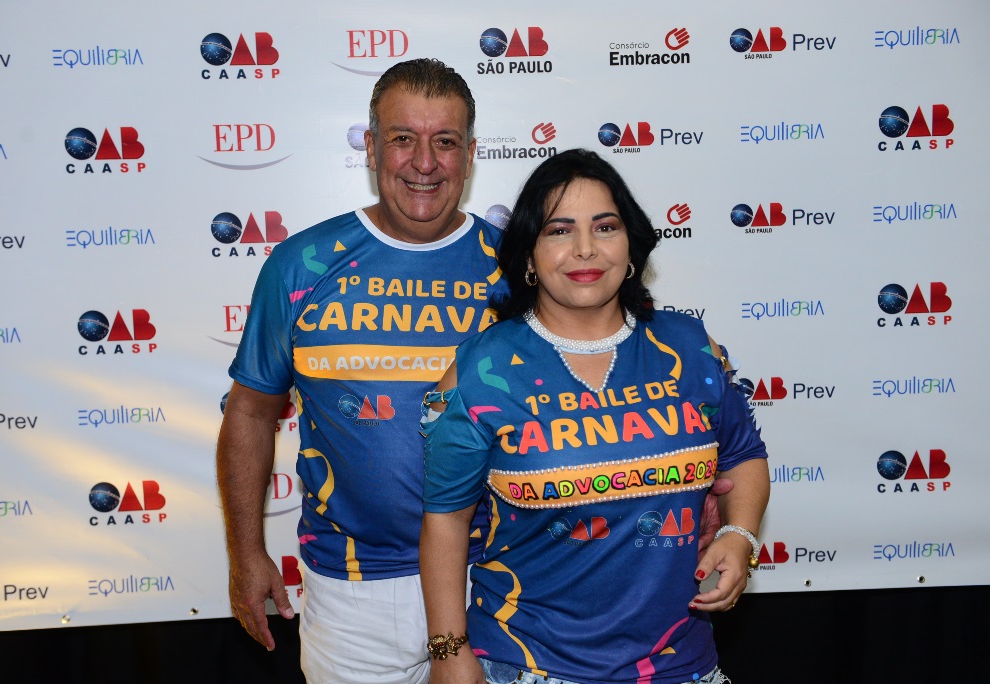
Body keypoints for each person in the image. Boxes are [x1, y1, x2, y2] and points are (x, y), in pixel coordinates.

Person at [419, 149, 770, 684]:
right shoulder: (480, 371)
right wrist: (447, 652)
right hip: (528, 664)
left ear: (630, 246)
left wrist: (740, 533)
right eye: (559, 231)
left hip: (682, 664)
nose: (585, 248)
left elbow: (744, 455)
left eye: (605, 227)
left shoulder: (690, 347)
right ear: (529, 255)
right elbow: (446, 518)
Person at [216, 58, 507, 684]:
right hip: (350, 597)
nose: (424, 163)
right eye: (403, 138)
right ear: (371, 147)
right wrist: (246, 554)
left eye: (445, 142)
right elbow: (251, 413)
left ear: (470, 155)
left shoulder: (516, 271)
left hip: (495, 580)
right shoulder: (302, 264)